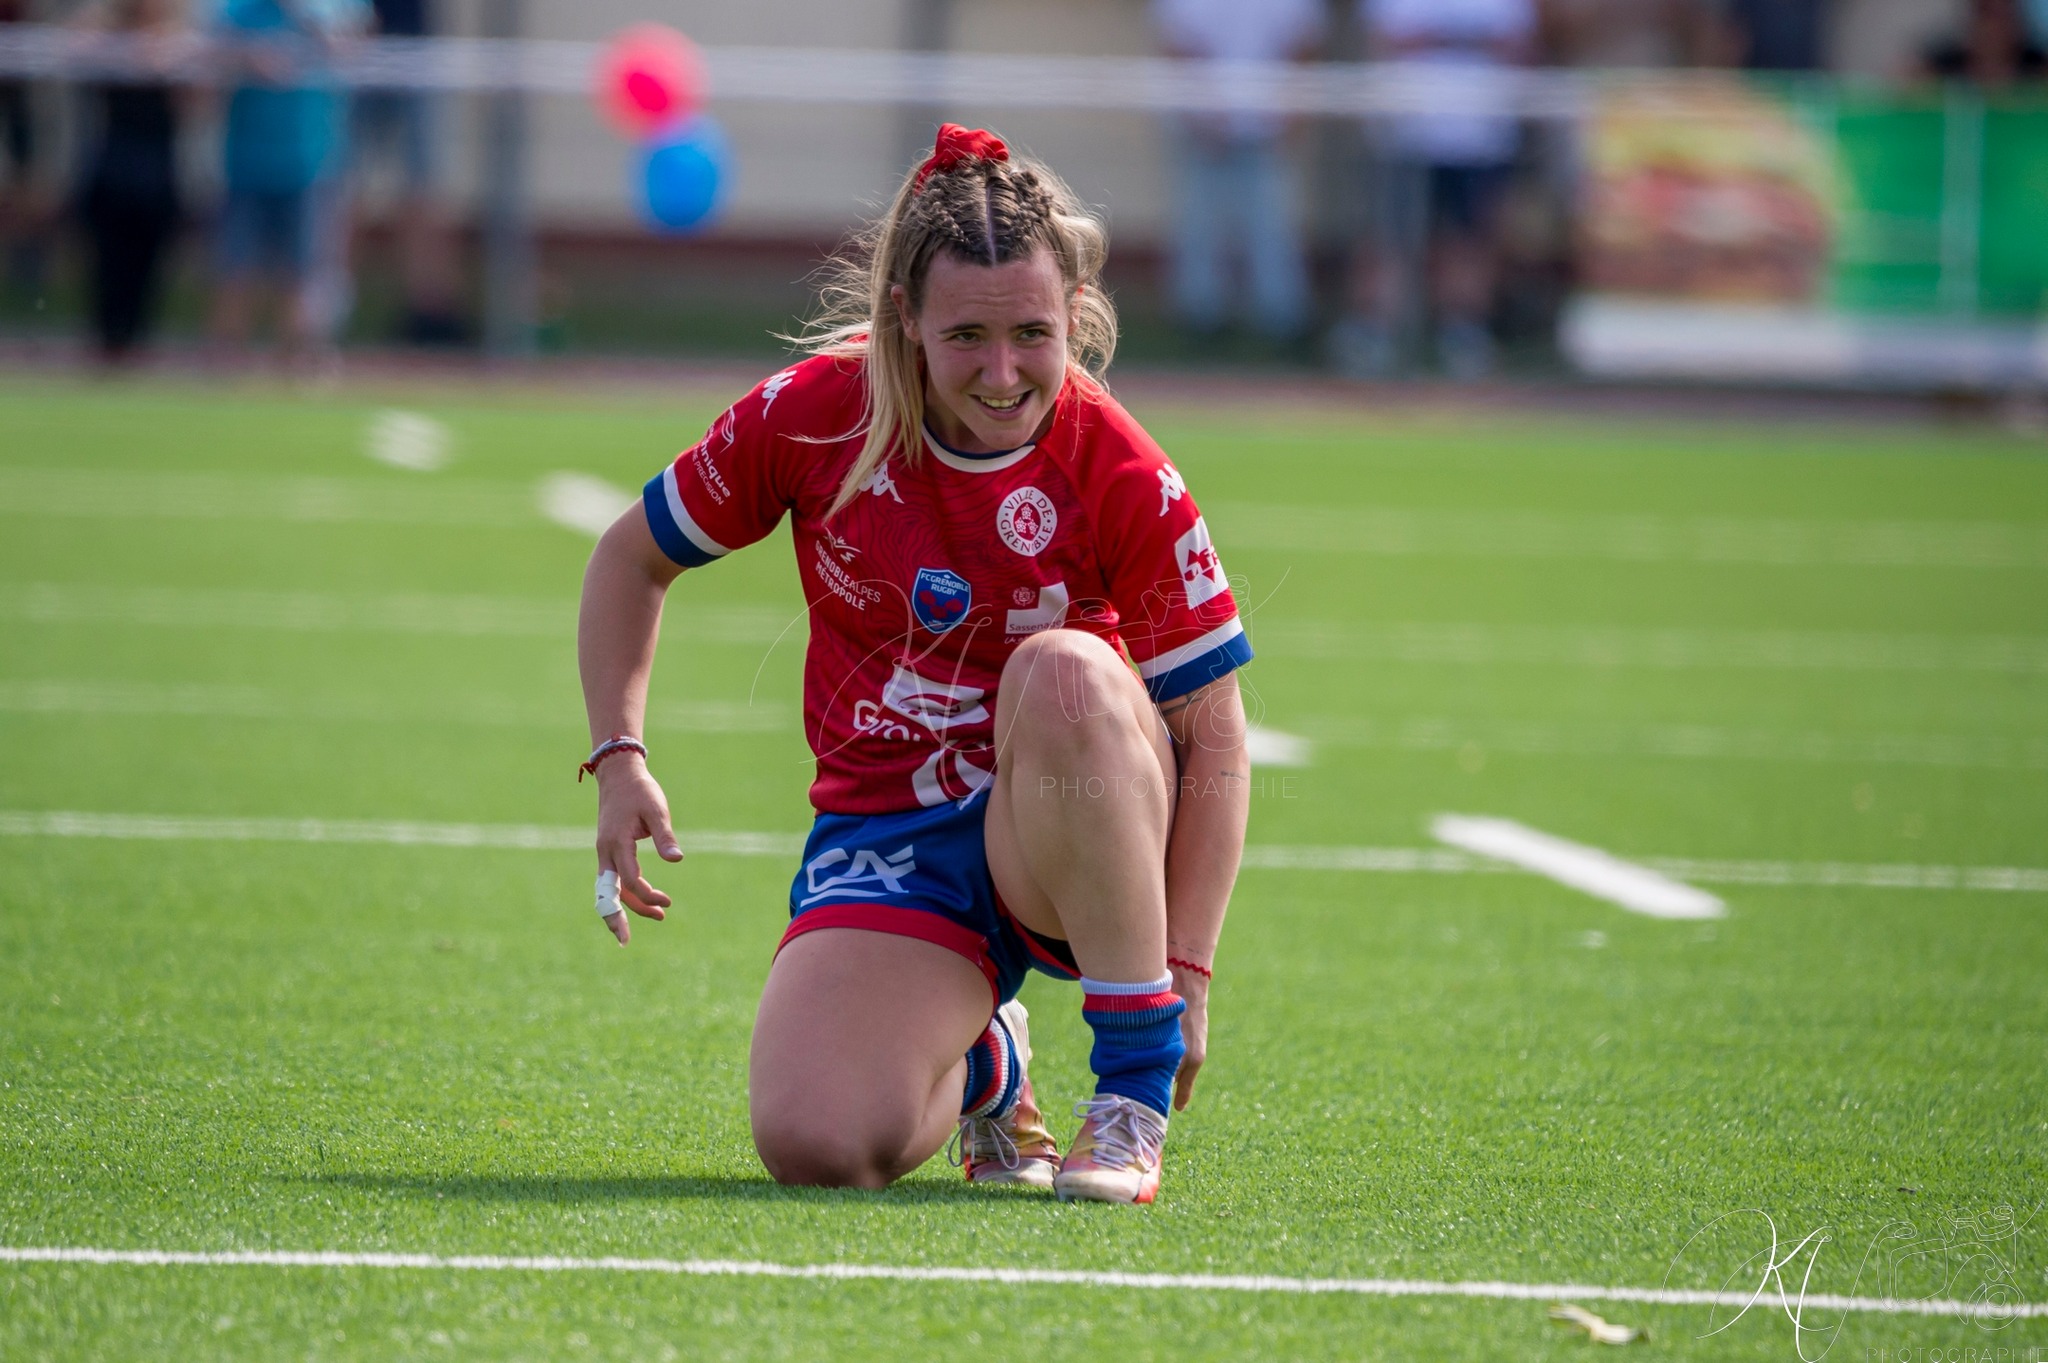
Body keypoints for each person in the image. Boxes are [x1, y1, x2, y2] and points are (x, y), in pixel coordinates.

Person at [577, 125, 1252, 1203]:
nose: (1001, 373)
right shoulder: (810, 415)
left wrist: (1191, 973)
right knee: (816, 1145)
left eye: (1033, 333)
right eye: (965, 337)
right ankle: (991, 1061)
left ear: (1074, 312)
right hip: (893, 827)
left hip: (1072, 823)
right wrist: (619, 754)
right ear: (906, 320)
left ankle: (1124, 1095)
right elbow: (629, 558)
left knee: (1064, 672)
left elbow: (1213, 731)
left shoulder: (1114, 461)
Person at [1330, 0, 1538, 381]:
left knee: (1468, 243)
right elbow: (1390, 41)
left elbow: (1516, 47)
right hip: (1402, 137)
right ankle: (1372, 336)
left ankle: (1462, 338)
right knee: (1386, 241)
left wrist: (1440, 40)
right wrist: (1470, 41)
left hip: (1479, 140)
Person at [1151, 0, 1325, 348]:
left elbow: (1302, 43)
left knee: (1272, 229)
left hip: (1267, 126)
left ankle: (1283, 327)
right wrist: (1204, 113)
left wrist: (1289, 113)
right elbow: (1178, 44)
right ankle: (1198, 323)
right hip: (1202, 129)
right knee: (1199, 227)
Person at [207, 0, 367, 363]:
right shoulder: (238, 9)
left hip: (310, 163)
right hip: (246, 163)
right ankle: (227, 359)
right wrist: (248, 57)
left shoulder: (329, 8)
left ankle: (296, 359)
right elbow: (211, 58)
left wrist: (310, 21)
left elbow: (354, 51)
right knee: (236, 267)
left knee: (304, 271)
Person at [73, 0, 189, 363]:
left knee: (149, 261)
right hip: (114, 163)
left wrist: (164, 58)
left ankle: (137, 344)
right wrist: (120, 46)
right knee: (108, 261)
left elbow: (196, 102)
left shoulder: (178, 38)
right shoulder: (107, 30)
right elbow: (73, 47)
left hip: (158, 166)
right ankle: (105, 342)